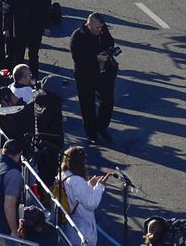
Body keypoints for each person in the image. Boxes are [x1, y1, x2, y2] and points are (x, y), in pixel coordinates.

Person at [68, 13, 117, 143]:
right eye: (97, 28)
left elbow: (109, 41)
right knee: (87, 105)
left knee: (108, 100)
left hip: (103, 73)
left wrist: (108, 51)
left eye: (101, 27)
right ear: (88, 24)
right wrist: (96, 58)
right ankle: (91, 134)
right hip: (85, 76)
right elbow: (78, 59)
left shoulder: (102, 29)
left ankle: (101, 126)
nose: (100, 30)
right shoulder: (77, 36)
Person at [57, 149, 116, 246]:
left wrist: (89, 184)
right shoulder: (77, 181)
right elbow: (91, 203)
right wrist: (100, 186)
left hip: (69, 227)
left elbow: (76, 194)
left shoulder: (64, 175)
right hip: (81, 229)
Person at [3, 0, 52, 72]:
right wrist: (6, 28)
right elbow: (8, 9)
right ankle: (18, 79)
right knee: (18, 56)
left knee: (33, 55)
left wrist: (47, 27)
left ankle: (34, 78)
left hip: (35, 27)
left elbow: (46, 8)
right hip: (19, 27)